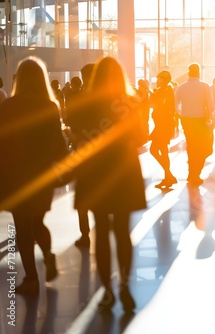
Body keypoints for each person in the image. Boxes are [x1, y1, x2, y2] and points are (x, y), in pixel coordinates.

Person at [72, 57, 146, 312]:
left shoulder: (85, 104)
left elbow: (76, 135)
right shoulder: (131, 102)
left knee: (101, 231)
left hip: (95, 173)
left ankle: (106, 291)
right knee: (123, 232)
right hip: (123, 171)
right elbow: (140, 137)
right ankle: (124, 287)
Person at [0, 56, 68, 295]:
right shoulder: (49, 107)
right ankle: (48, 255)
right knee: (38, 221)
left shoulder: (7, 107)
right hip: (42, 176)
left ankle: (31, 279)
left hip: (14, 176)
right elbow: (59, 146)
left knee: (22, 226)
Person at [64, 63, 95, 248]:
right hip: (103, 154)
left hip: (82, 152)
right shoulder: (107, 98)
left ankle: (85, 234)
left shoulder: (77, 97)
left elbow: (71, 122)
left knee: (83, 194)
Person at [175, 63, 215, 186]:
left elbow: (176, 105)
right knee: (203, 148)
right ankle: (195, 173)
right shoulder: (205, 86)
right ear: (199, 72)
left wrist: (183, 114)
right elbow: (211, 106)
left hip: (187, 120)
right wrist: (210, 119)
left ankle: (191, 172)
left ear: (188, 72)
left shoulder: (181, 87)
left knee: (191, 146)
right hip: (201, 120)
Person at [149, 70, 177, 189]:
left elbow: (161, 105)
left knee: (158, 150)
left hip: (163, 125)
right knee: (160, 150)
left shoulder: (167, 91)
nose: (157, 80)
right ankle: (168, 176)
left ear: (164, 79)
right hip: (160, 124)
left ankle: (168, 176)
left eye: (159, 79)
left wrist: (153, 98)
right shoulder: (163, 90)